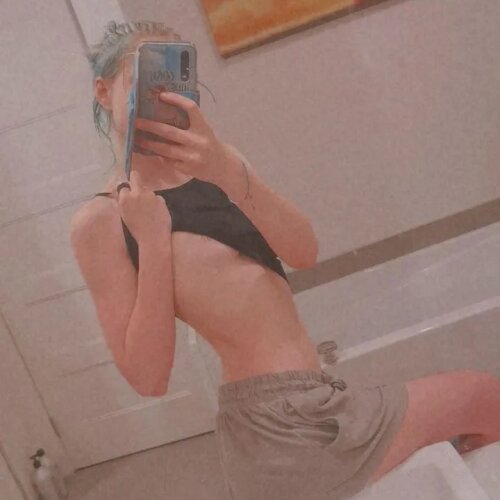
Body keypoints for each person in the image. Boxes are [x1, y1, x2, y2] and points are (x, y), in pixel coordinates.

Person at [70, 20, 500, 500]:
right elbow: (148, 379)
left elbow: (304, 252)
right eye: (144, 79)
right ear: (104, 92)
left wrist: (227, 170)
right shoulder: (103, 220)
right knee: (483, 396)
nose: (161, 96)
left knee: (472, 412)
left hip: (315, 400)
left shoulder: (217, 164)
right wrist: (152, 243)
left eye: (171, 78)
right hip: (278, 429)